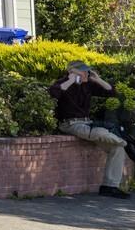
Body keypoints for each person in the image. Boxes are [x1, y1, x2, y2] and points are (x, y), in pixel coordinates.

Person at [49, 61, 130, 197]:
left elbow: (111, 92)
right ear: (73, 72)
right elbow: (53, 93)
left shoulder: (88, 85)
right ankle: (126, 143)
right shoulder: (63, 83)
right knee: (100, 133)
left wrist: (98, 79)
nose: (87, 74)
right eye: (83, 71)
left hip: (87, 123)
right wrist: (71, 80)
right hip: (70, 124)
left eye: (87, 71)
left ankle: (110, 187)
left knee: (117, 148)